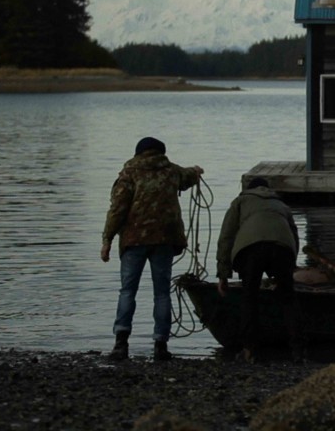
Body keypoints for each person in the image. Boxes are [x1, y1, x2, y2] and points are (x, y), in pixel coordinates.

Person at [101, 136, 203, 361]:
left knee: (128, 291)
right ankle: (161, 346)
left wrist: (107, 239)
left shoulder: (129, 172)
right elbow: (188, 176)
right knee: (162, 293)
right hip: (164, 240)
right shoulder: (171, 171)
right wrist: (196, 172)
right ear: (161, 152)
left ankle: (121, 343)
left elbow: (117, 209)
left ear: (138, 152)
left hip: (133, 240)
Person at [216, 176, 303, 362]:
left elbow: (226, 237)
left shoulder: (240, 202)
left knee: (249, 298)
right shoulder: (281, 205)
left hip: (250, 250)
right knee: (288, 299)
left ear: (249, 189)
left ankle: (250, 350)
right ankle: (297, 352)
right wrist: (290, 267)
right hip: (282, 248)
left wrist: (223, 275)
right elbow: (294, 235)